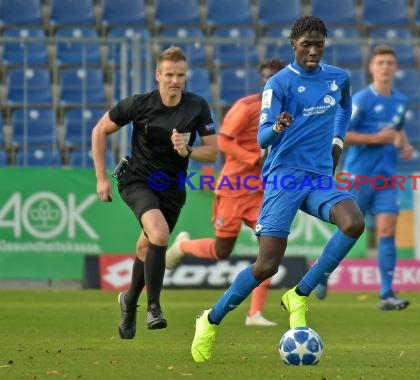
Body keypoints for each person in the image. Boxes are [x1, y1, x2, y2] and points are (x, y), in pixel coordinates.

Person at [190, 15, 365, 363]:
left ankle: (300, 294)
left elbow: (346, 107)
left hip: (317, 177)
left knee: (353, 222)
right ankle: (209, 320)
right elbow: (261, 137)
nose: (313, 50)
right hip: (284, 177)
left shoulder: (338, 78)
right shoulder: (280, 84)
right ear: (294, 45)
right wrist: (278, 127)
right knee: (267, 264)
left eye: (319, 44)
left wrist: (337, 142)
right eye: (306, 45)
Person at [92, 46, 218, 339]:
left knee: (146, 247)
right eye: (170, 74)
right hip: (137, 181)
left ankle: (128, 301)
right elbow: (99, 130)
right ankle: (154, 307)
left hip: (172, 188)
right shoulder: (140, 104)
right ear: (158, 75)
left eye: (181, 75)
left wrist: (188, 150)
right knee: (159, 234)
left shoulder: (197, 106)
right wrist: (101, 177)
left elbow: (213, 152)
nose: (175, 80)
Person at [164, 59, 287, 327]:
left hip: (262, 193)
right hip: (234, 188)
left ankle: (254, 314)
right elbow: (223, 142)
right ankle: (183, 245)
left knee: (270, 250)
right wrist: (254, 159)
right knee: (222, 250)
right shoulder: (246, 108)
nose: (271, 83)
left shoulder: (289, 112)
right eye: (266, 78)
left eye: (276, 78)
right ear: (262, 81)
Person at [315, 45, 415, 311]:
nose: (385, 67)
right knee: (349, 229)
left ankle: (386, 294)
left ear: (395, 68)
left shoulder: (401, 100)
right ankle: (322, 272)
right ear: (372, 67)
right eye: (380, 62)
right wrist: (375, 139)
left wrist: (404, 145)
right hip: (358, 176)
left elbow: (398, 130)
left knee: (387, 231)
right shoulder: (360, 100)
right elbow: (341, 134)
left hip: (387, 177)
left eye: (390, 63)